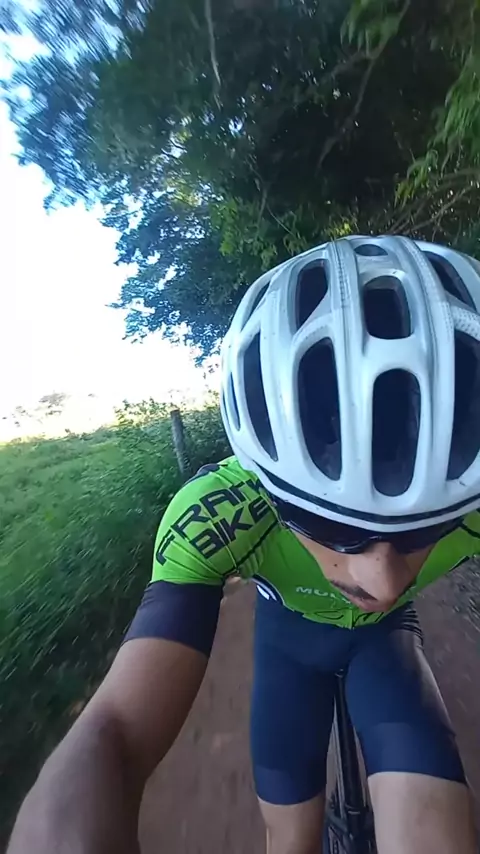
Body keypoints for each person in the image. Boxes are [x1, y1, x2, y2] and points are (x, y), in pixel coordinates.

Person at [8, 235, 480, 854]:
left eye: (426, 529)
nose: (384, 582)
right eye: (335, 530)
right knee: (291, 838)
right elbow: (114, 728)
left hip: (368, 645)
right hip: (295, 648)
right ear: (268, 488)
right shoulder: (224, 509)